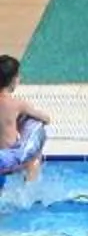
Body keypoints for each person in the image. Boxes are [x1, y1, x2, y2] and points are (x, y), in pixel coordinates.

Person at [0, 54, 48, 185]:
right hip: (7, 159)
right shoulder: (17, 104)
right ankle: (28, 194)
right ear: (13, 80)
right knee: (33, 159)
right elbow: (46, 119)